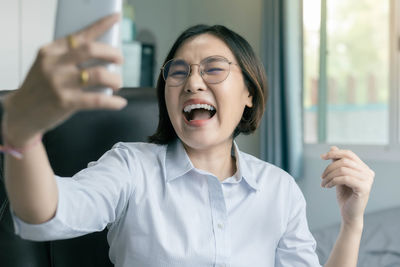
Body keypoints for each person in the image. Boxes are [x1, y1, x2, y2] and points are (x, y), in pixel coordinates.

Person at [2, 14, 374, 267]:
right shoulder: (131, 167)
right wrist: (22, 132)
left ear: (248, 92)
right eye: (178, 72)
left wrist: (351, 223)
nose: (193, 82)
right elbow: (46, 213)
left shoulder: (279, 190)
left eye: (213, 68)